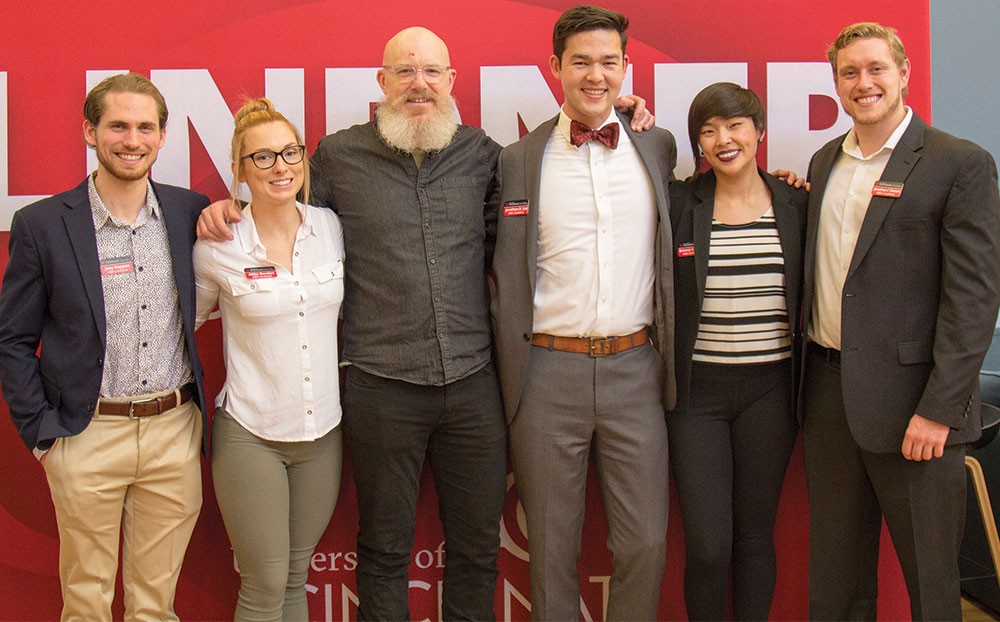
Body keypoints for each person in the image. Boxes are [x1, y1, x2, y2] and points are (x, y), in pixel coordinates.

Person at [196, 26, 652, 621]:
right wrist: (227, 206)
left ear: (451, 82)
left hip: (474, 384)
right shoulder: (335, 157)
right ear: (382, 83)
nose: (420, 84)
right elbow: (279, 204)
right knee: (384, 550)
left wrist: (627, 112)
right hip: (380, 386)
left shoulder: (485, 155)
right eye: (405, 72)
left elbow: (519, 243)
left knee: (476, 551)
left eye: (432, 72)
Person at [801, 22, 1000, 620]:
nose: (864, 84)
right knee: (836, 581)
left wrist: (940, 410)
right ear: (836, 82)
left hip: (917, 408)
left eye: (876, 69)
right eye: (849, 73)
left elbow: (974, 298)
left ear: (904, 73)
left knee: (931, 585)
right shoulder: (822, 160)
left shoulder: (958, 162)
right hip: (827, 397)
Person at [489, 6, 676, 620]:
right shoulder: (518, 159)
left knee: (645, 541)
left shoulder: (656, 144)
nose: (596, 75)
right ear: (555, 68)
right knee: (549, 550)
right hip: (546, 373)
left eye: (608, 61)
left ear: (626, 66)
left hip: (635, 370)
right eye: (581, 62)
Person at [0, 72, 208, 621]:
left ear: (164, 136)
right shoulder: (42, 224)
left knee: (155, 609)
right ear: (89, 131)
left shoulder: (190, 213)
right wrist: (46, 437)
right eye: (117, 125)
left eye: (145, 127)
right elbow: (13, 339)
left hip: (172, 434)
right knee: (86, 605)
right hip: (86, 434)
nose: (132, 140)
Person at [193, 99, 344, 621]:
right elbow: (178, 327)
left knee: (296, 579)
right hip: (251, 436)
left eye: (290, 152)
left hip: (323, 435)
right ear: (239, 169)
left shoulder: (330, 227)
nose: (280, 167)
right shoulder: (218, 244)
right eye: (262, 158)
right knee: (263, 585)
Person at [668, 82, 805, 621]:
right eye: (708, 130)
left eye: (734, 126)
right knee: (706, 544)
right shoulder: (681, 201)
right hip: (696, 394)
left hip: (770, 391)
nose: (722, 140)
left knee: (754, 537)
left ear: (759, 132)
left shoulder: (796, 201)